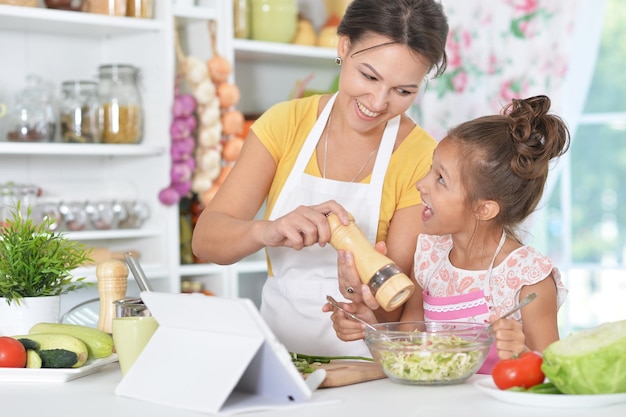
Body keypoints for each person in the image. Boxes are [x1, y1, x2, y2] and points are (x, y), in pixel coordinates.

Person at [191, 0, 449, 357]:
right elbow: (205, 242)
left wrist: (363, 305)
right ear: (344, 46)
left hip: (366, 368)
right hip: (281, 359)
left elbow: (396, 305)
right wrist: (268, 230)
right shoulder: (284, 123)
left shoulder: (423, 157)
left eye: (403, 91)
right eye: (369, 76)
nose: (377, 102)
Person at [328, 95, 570, 373]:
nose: (421, 184)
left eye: (441, 179)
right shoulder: (430, 256)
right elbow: (409, 350)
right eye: (430, 170)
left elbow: (555, 375)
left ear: (484, 209)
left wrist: (523, 354)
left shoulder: (529, 278)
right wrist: (367, 325)